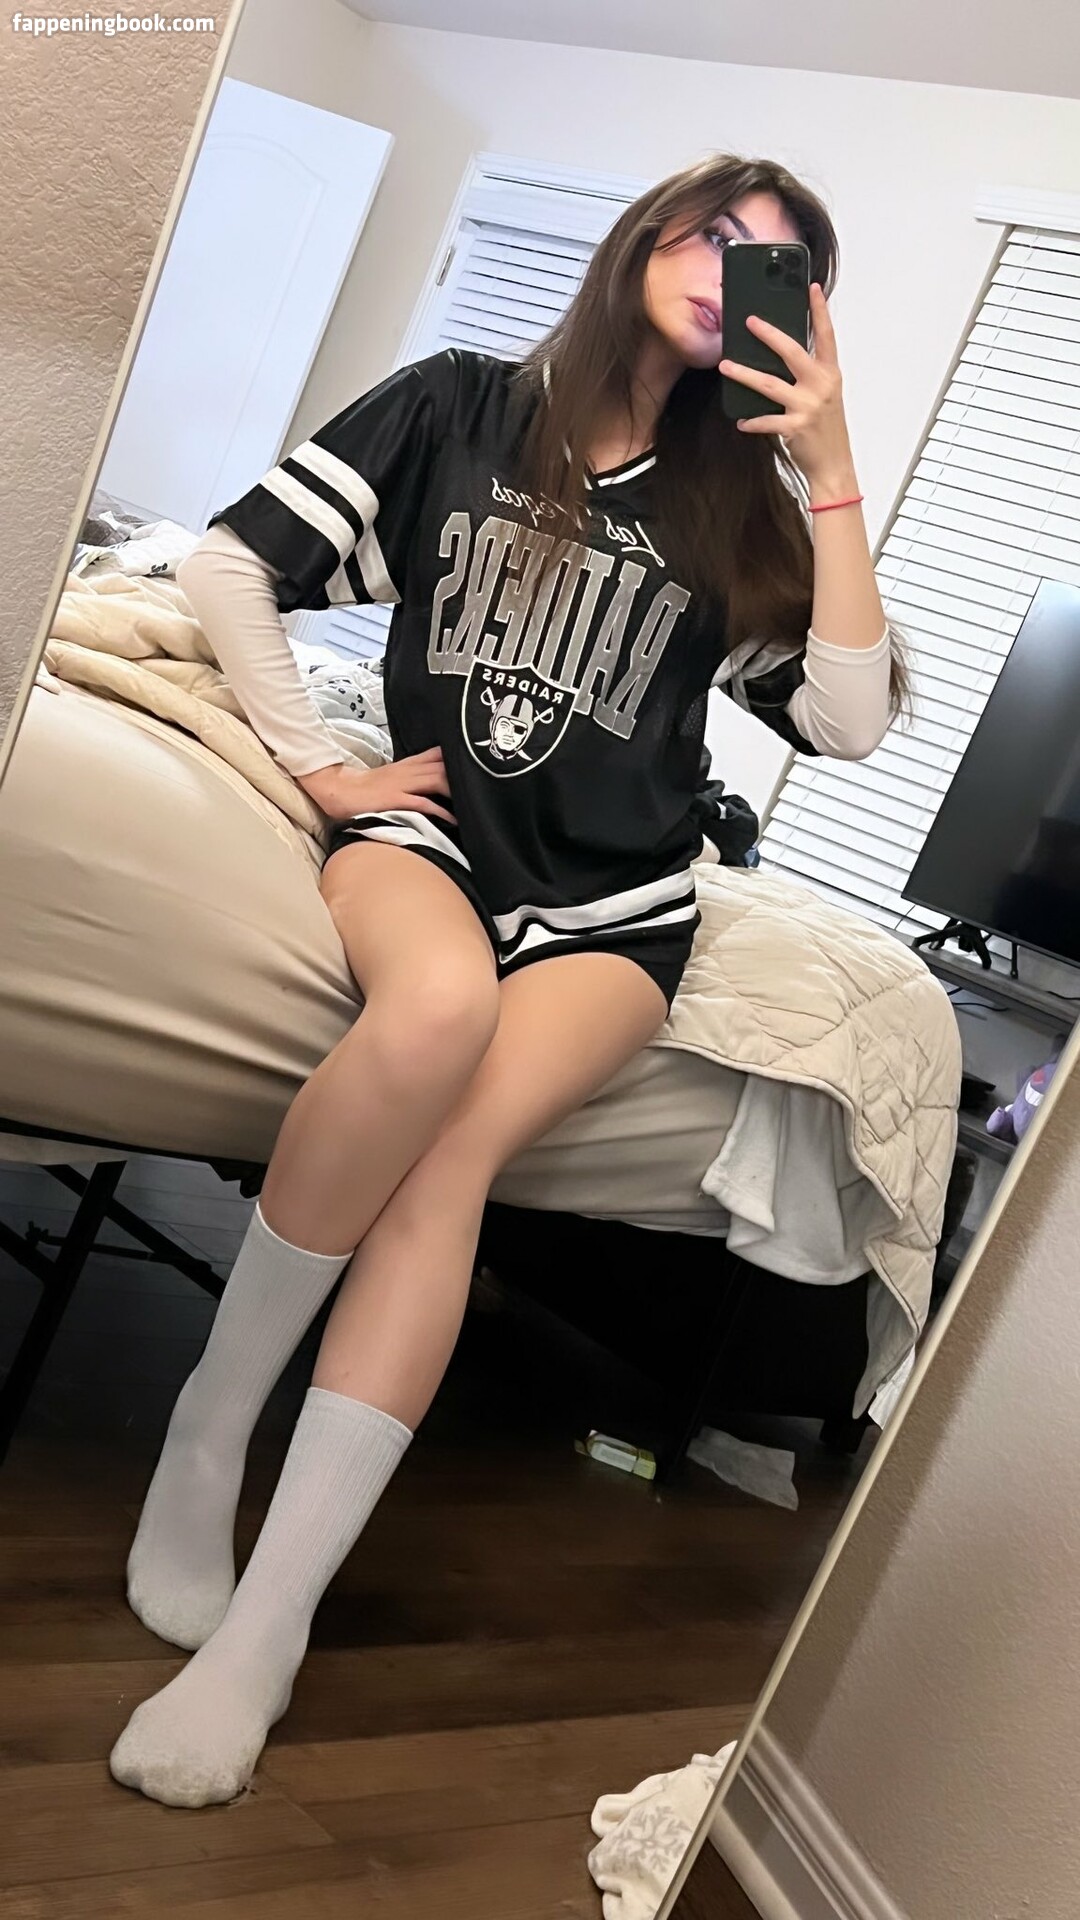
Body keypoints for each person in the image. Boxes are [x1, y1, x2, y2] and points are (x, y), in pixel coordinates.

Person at [109, 152, 904, 1807]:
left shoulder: (742, 505)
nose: (733, 272)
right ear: (645, 239)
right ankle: (210, 1426)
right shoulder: (462, 404)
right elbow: (229, 566)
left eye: (778, 265)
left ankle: (270, 1622)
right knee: (436, 1013)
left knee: (453, 1156)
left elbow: (844, 723)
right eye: (715, 235)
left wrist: (829, 472)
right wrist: (316, 765)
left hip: (624, 903)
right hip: (434, 839)